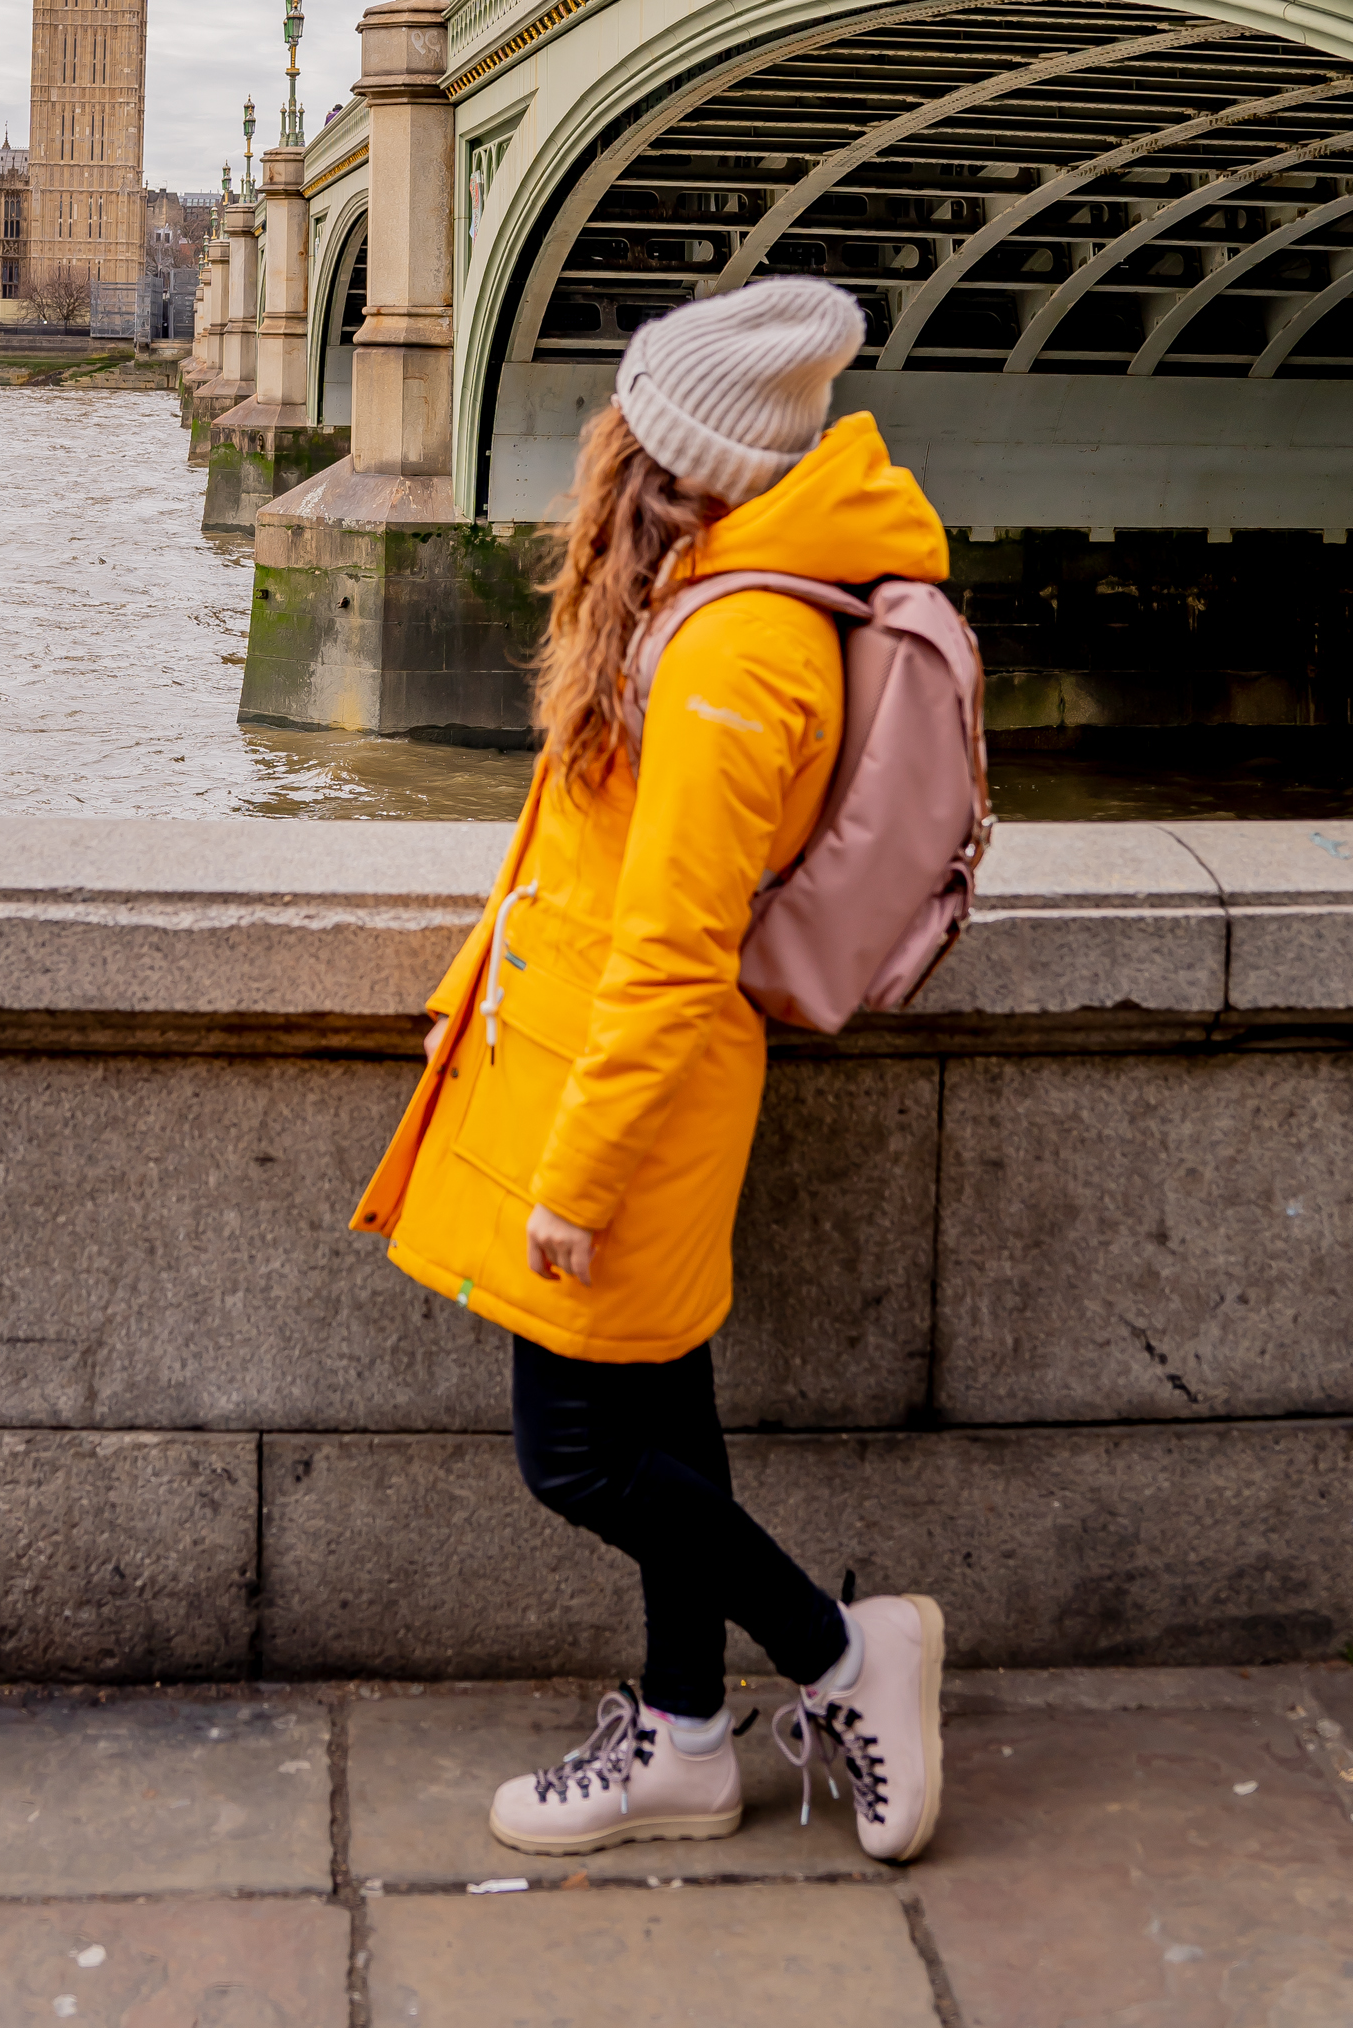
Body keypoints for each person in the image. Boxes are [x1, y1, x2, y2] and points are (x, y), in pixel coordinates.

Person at [351, 275, 948, 1865]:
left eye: (626, 423)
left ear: (677, 453)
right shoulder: (715, 595)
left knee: (581, 1456)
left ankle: (843, 1654)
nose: (598, 444)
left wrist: (577, 1182)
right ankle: (686, 1739)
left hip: (631, 1112)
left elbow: (675, 951)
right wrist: (471, 987)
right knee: (664, 1433)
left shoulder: (738, 653)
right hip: (588, 1071)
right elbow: (585, 858)